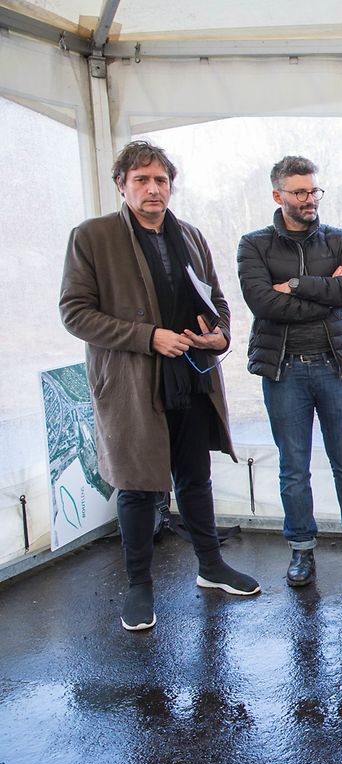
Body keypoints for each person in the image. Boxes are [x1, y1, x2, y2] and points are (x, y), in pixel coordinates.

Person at [60, 140, 260, 632]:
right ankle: (139, 586)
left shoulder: (189, 235)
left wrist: (219, 335)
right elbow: (75, 313)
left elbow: (217, 301)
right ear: (121, 185)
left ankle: (211, 567)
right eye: (142, 180)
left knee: (195, 478)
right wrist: (148, 337)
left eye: (161, 180)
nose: (153, 190)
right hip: (132, 383)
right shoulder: (93, 236)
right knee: (137, 485)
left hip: (191, 376)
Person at [237, 155, 342, 586]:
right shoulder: (254, 244)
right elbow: (263, 303)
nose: (310, 198)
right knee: (293, 465)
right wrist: (325, 292)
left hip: (336, 367)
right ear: (278, 195)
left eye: (315, 190)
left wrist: (297, 284)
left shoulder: (340, 239)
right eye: (299, 192)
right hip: (284, 371)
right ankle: (301, 551)